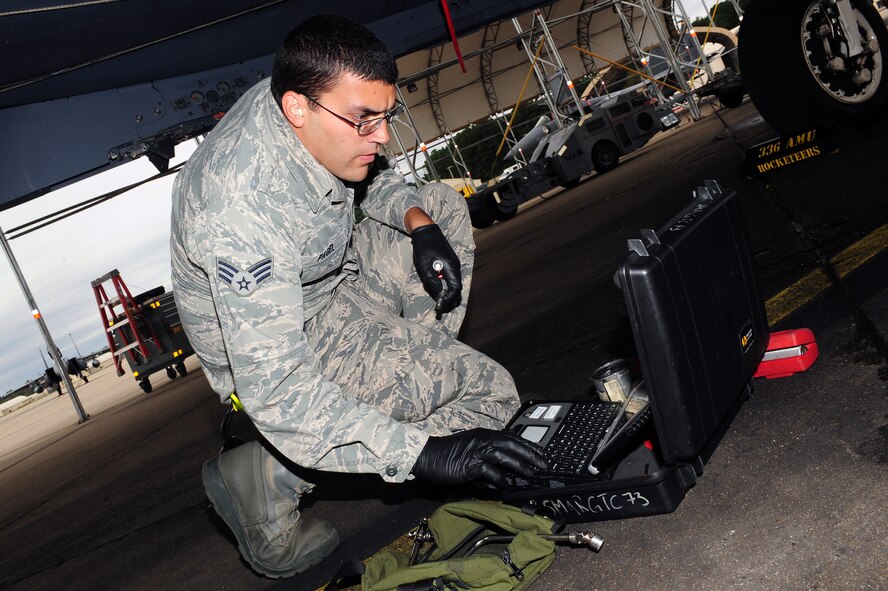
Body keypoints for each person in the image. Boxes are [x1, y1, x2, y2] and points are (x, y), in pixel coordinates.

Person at [170, 14, 546, 579]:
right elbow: (277, 386)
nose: (383, 135)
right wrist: (420, 453)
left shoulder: (310, 97)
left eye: (386, 115)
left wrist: (418, 224)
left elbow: (375, 175)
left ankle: (398, 382)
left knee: (439, 206)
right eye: (365, 120)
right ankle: (275, 474)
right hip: (287, 343)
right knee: (489, 396)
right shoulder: (241, 210)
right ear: (298, 109)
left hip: (331, 280)